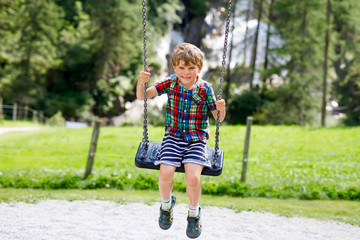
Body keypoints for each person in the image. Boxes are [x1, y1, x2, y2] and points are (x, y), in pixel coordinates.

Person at [136, 43, 226, 239]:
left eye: (191, 68)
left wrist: (221, 107)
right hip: (173, 137)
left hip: (196, 140)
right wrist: (141, 82)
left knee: (192, 178)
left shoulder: (205, 89)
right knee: (165, 173)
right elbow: (143, 96)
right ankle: (166, 206)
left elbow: (218, 118)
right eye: (181, 68)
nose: (186, 72)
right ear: (175, 68)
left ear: (199, 69)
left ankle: (194, 213)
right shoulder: (170, 82)